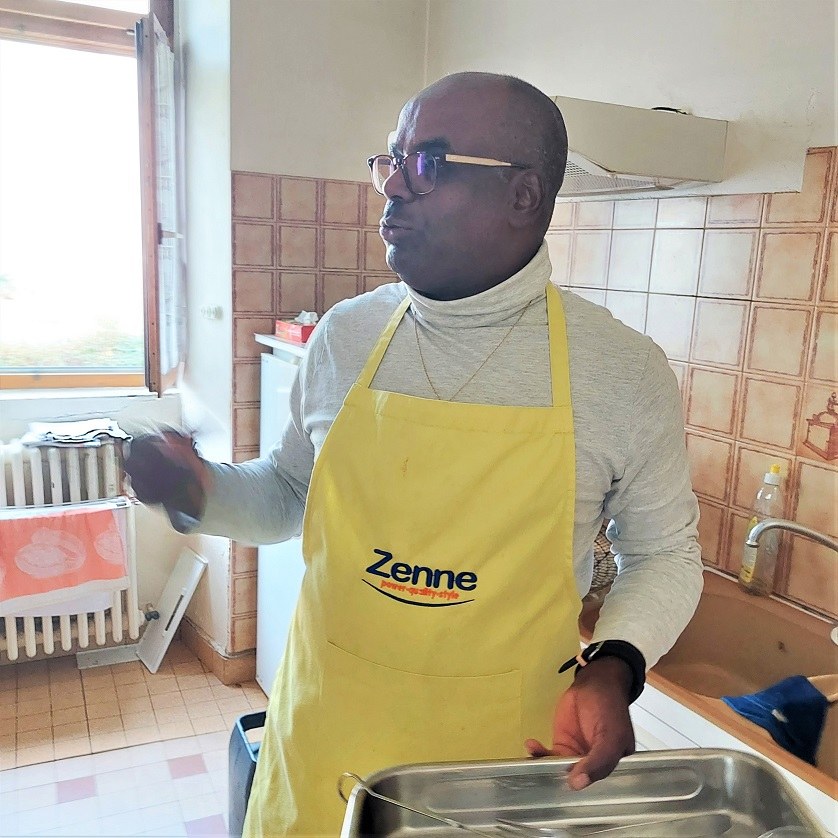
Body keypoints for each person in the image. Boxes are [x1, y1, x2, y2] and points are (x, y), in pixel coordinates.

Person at [126, 71, 703, 837]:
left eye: (428, 162)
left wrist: (615, 666)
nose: (392, 186)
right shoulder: (346, 336)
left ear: (523, 195)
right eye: (391, 160)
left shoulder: (621, 372)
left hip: (501, 766)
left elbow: (665, 555)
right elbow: (290, 494)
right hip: (328, 737)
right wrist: (199, 490)